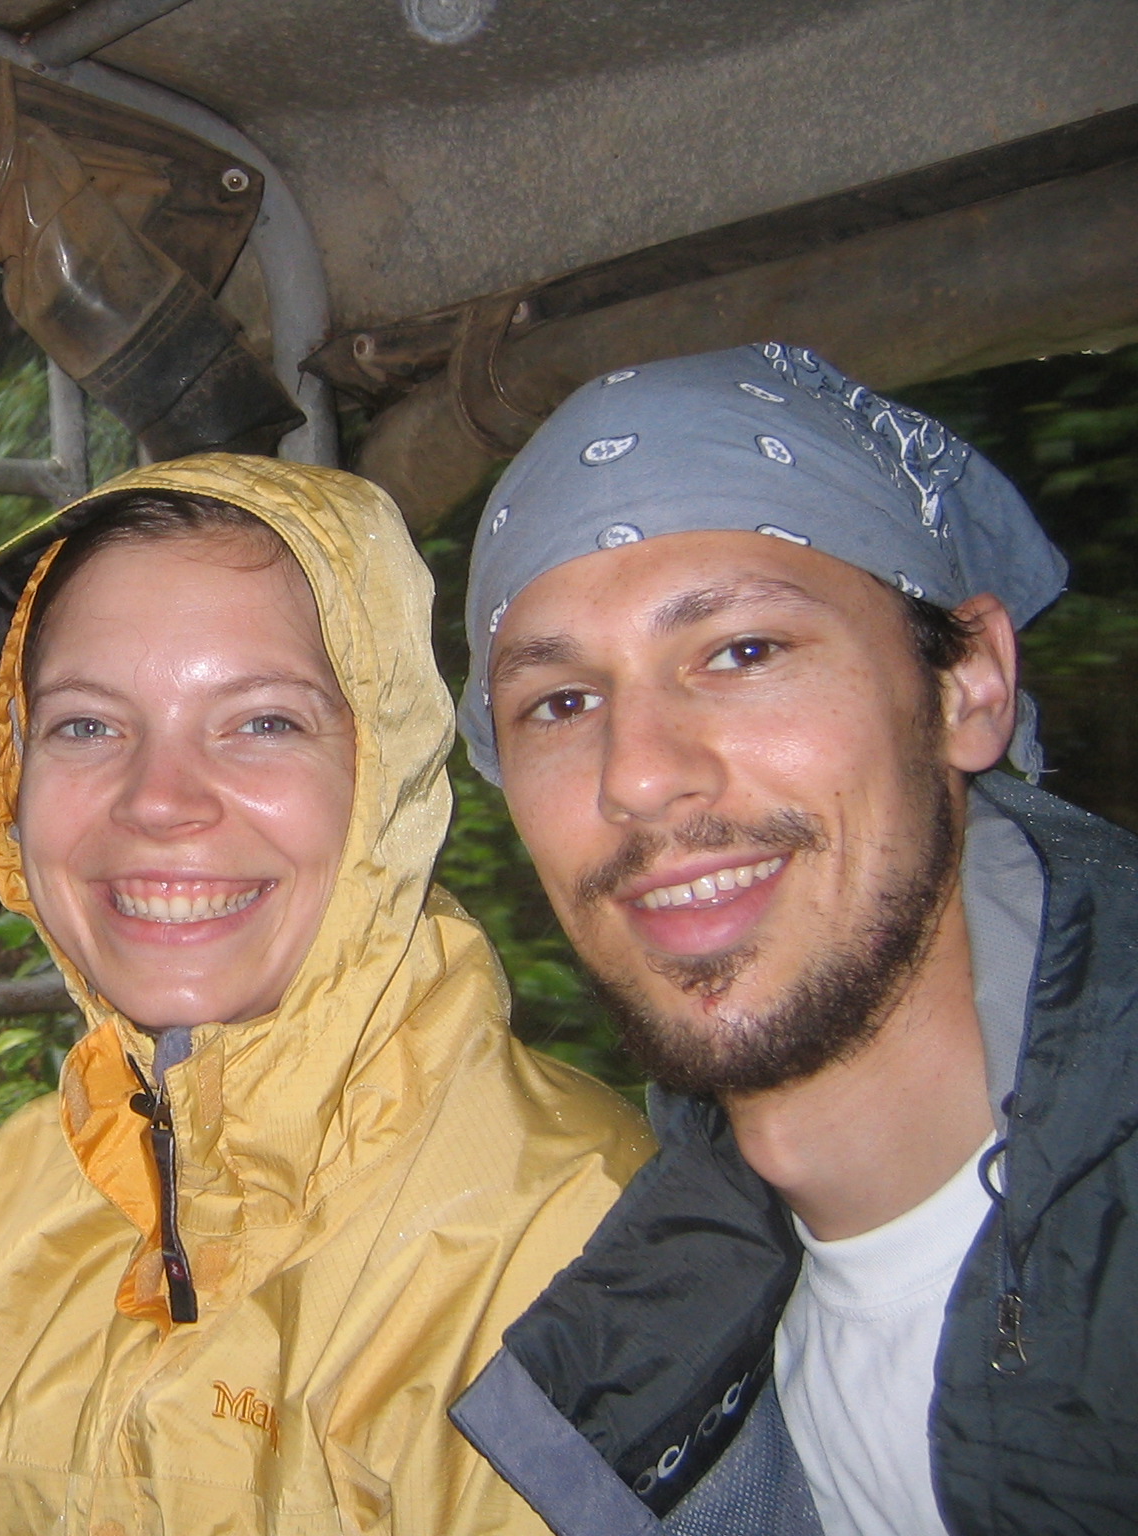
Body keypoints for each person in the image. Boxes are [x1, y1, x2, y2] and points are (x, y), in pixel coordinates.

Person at [0, 454, 650, 1535]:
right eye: (84, 725)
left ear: (386, 770)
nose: (158, 800)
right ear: (12, 779)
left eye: (262, 721)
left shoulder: (576, 1235)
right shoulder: (12, 1193)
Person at [445, 344, 1138, 1535]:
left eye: (740, 652)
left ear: (966, 683)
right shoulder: (670, 1355)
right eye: (560, 703)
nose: (639, 776)